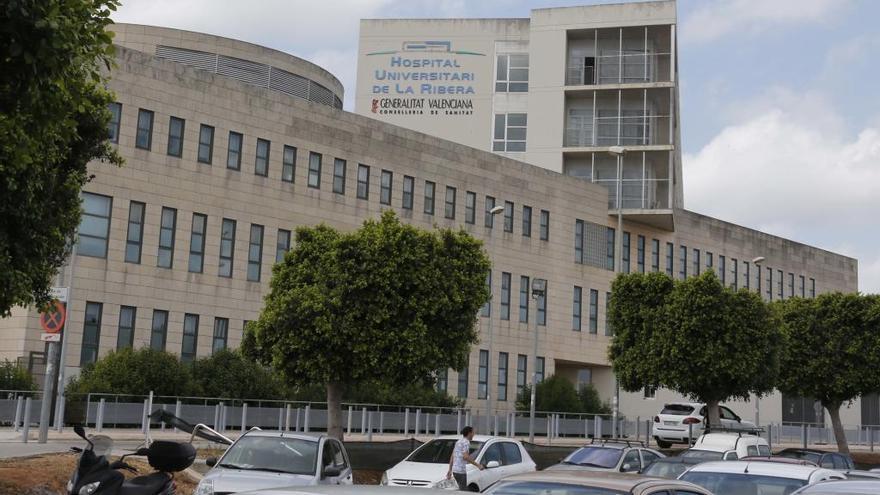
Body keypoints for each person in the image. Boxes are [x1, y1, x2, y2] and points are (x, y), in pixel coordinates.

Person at [447, 426, 484, 490]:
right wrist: (478, 465)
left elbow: (452, 456)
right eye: (473, 433)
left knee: (462, 489)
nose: (474, 434)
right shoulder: (466, 442)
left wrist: (450, 470)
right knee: (464, 491)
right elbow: (466, 457)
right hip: (461, 471)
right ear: (469, 433)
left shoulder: (458, 442)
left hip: (455, 471)